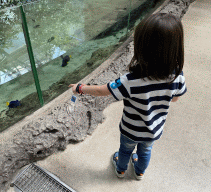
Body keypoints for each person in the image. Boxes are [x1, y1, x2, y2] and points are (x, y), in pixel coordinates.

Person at [68, 12, 187, 180]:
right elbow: (175, 98)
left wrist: (80, 88)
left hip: (130, 130)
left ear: (142, 48)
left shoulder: (130, 81)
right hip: (153, 130)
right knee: (145, 151)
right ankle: (139, 172)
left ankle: (121, 169)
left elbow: (103, 91)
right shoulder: (178, 75)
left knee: (124, 150)